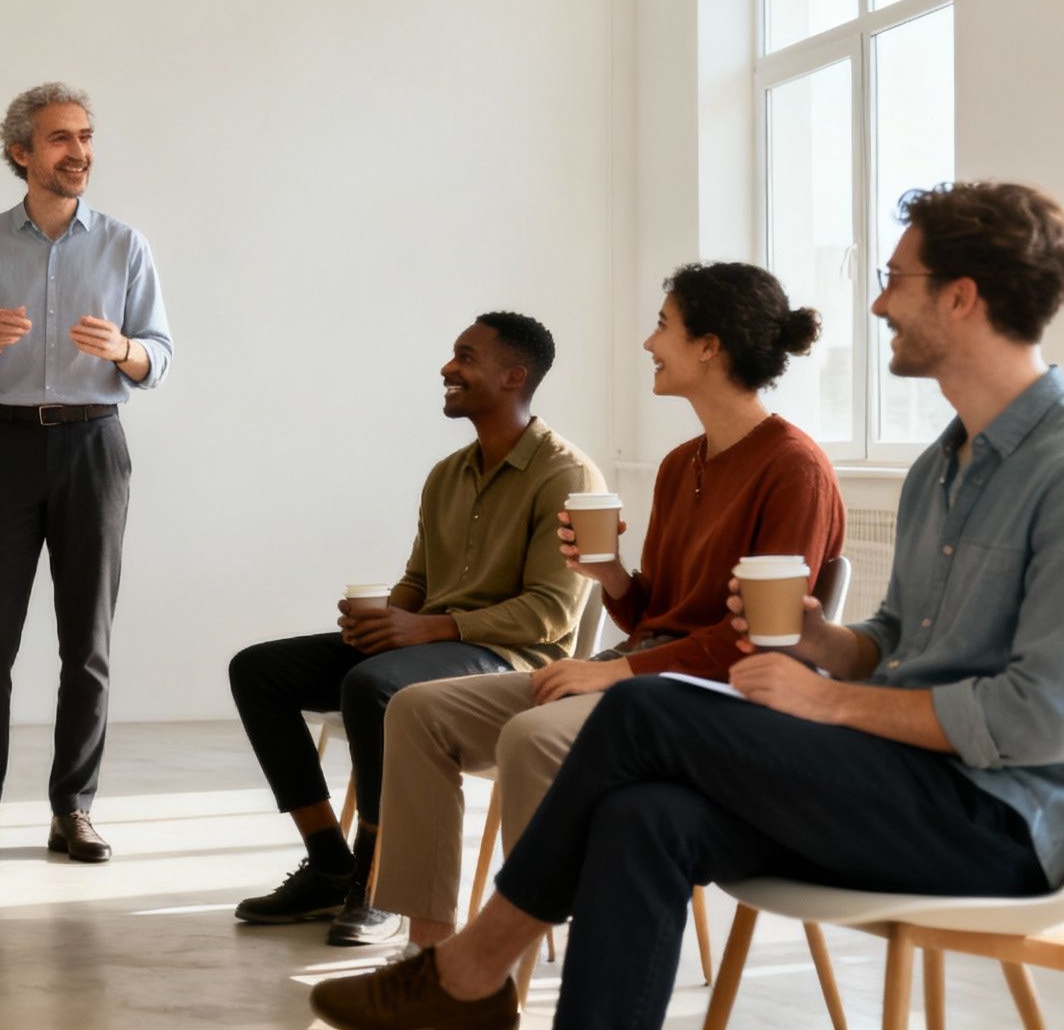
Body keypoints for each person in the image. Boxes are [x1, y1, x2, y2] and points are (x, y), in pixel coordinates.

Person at [312, 181, 1064, 1030]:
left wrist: (828, 697)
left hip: (998, 817)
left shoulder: (1055, 464)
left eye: (897, 277)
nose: (879, 300)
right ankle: (470, 980)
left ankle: (470, 973)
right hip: (892, 779)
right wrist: (830, 642)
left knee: (641, 710)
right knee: (643, 817)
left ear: (961, 298)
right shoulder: (940, 465)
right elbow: (896, 638)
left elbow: (1039, 715)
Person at [368, 261, 844, 953]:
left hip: (719, 696)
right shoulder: (683, 464)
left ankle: (521, 958)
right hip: (645, 671)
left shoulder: (794, 468)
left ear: (709, 346)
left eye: (664, 326)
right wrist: (611, 574)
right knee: (417, 711)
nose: (650, 343)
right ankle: (429, 954)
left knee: (534, 735)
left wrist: (616, 675)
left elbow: (761, 642)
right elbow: (661, 612)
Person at [226, 313, 600, 945]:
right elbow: (419, 583)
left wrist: (427, 629)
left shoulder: (565, 475)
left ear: (514, 376)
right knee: (258, 670)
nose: (448, 368)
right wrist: (385, 616)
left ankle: (379, 882)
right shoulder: (447, 474)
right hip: (431, 645)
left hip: (513, 661)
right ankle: (329, 864)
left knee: (375, 686)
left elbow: (551, 614)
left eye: (465, 356)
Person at [0, 82, 174, 865]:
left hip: (94, 445)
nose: (80, 154)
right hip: (4, 447)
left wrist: (122, 352)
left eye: (86, 138)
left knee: (86, 643)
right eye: (62, 140)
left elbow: (157, 357)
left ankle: (74, 809)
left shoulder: (126, 246)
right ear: (21, 153)